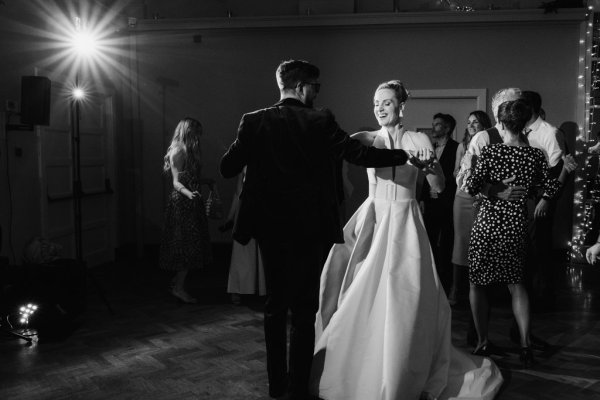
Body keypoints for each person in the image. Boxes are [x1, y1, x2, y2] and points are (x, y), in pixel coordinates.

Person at [219, 60, 410, 400]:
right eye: (316, 86)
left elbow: (227, 166)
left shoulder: (253, 121)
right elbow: (358, 154)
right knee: (305, 309)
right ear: (303, 87)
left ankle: (276, 385)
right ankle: (297, 389)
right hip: (311, 227)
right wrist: (403, 156)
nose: (317, 92)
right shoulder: (320, 120)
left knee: (276, 305)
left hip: (270, 227)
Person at [311, 80, 503, 400]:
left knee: (406, 294)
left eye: (386, 102)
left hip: (405, 222)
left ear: (401, 106)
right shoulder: (365, 138)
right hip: (374, 220)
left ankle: (404, 365)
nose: (380, 107)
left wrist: (428, 169)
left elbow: (440, 186)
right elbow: (330, 151)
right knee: (362, 289)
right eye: (376, 102)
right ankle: (360, 362)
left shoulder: (419, 139)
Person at [465, 99, 577, 368]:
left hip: (488, 223)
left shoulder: (490, 152)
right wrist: (564, 171)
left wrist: (493, 189)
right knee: (517, 285)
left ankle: (482, 342)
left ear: (502, 124)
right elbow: (549, 192)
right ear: (525, 124)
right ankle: (526, 345)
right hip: (516, 224)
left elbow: (470, 185)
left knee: (478, 284)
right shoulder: (535, 155)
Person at [159, 117, 213, 304]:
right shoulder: (178, 151)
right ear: (189, 132)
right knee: (186, 247)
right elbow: (176, 182)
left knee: (190, 246)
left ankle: (177, 283)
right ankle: (178, 288)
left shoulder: (189, 151)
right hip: (182, 204)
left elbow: (190, 176)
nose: (198, 137)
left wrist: (206, 182)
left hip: (191, 201)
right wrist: (189, 194)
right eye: (196, 133)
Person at [449, 111, 493, 306]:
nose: (471, 125)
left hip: (482, 198)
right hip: (462, 197)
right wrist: (462, 170)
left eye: (475, 122)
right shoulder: (462, 146)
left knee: (482, 243)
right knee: (461, 241)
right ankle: (456, 290)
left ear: (484, 124)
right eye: (468, 122)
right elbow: (455, 173)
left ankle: (479, 289)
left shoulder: (491, 144)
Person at [422, 113, 459, 291]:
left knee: (446, 244)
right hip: (429, 204)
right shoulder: (430, 148)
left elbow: (455, 177)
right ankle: (430, 281)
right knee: (428, 242)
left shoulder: (456, 148)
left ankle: (446, 285)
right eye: (433, 123)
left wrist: (442, 186)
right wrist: (422, 198)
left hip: (447, 204)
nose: (433, 127)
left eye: (437, 124)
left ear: (447, 129)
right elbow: (424, 174)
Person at [222, 167, 266, 305]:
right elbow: (238, 192)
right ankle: (238, 288)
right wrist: (231, 217)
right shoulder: (245, 163)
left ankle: (262, 288)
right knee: (242, 251)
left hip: (263, 210)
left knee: (263, 254)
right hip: (247, 211)